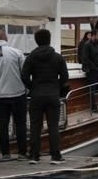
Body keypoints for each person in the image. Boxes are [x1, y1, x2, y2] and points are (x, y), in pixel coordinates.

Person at [21, 29, 69, 164]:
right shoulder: (58, 57)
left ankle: (34, 156)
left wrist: (32, 87)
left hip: (36, 95)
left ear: (36, 40)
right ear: (49, 39)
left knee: (35, 126)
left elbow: (24, 76)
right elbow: (65, 77)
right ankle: (55, 156)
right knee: (53, 126)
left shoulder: (31, 57)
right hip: (52, 94)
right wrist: (56, 87)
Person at [0, 29, 28, 160]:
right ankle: (22, 152)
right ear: (6, 38)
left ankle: (5, 153)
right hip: (18, 93)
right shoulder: (17, 53)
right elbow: (24, 73)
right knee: (20, 124)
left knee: (3, 125)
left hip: (0, 95)